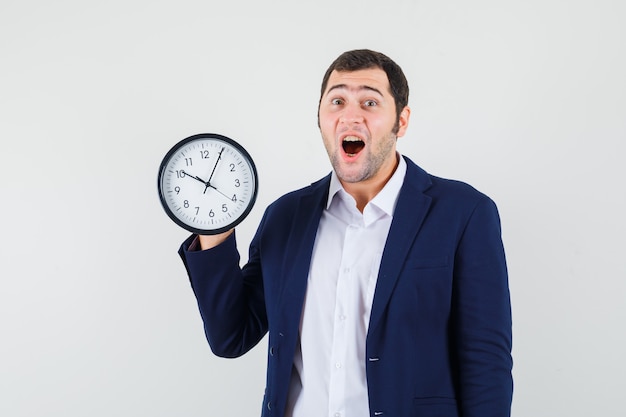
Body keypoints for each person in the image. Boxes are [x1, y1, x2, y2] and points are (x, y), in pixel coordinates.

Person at [178, 49, 513, 417]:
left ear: (401, 121)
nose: (350, 115)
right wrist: (212, 226)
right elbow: (231, 336)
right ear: (321, 119)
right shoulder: (286, 216)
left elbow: (485, 361)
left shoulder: (463, 213)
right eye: (337, 100)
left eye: (370, 101)